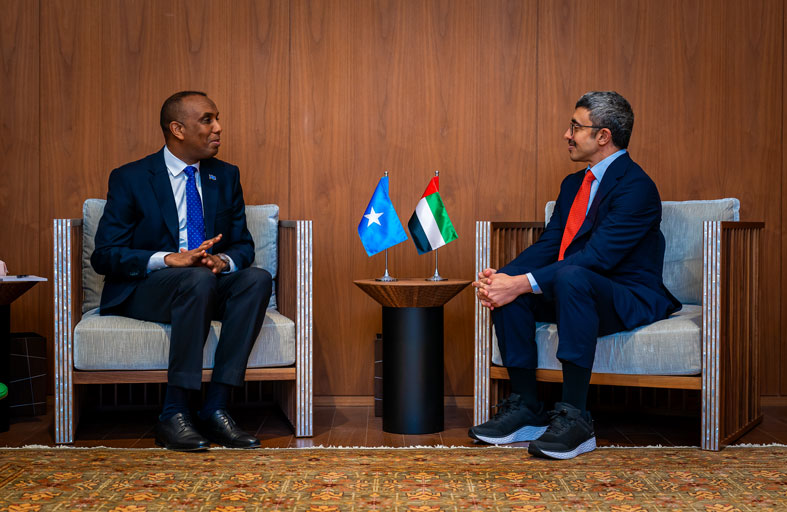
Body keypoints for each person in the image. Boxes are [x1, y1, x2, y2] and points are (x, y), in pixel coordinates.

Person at [470, 91, 680, 460]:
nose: (567, 135)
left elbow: (597, 258)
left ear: (603, 136)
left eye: (575, 127)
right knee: (515, 290)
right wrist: (503, 278)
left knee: (569, 277)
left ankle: (576, 419)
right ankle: (527, 407)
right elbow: (550, 244)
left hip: (626, 295)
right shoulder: (573, 185)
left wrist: (520, 283)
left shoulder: (637, 187)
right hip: (576, 292)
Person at [91, 91, 272, 451]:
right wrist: (166, 258)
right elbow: (105, 255)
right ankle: (173, 413)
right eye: (207, 120)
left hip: (204, 284)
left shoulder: (226, 176)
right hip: (148, 290)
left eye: (217, 119)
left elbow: (243, 245)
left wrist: (223, 261)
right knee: (195, 278)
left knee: (256, 279)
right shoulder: (132, 178)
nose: (218, 128)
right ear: (177, 129)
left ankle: (216, 408)